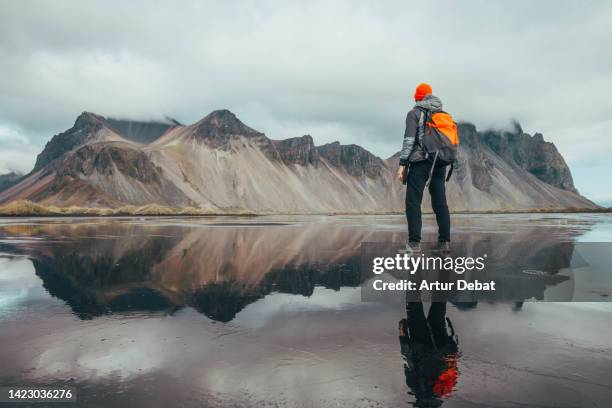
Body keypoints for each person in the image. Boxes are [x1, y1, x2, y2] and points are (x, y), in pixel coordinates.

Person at [397, 83, 451, 253]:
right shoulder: (444, 115)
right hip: (439, 162)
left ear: (418, 97)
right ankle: (444, 243)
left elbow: (409, 140)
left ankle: (414, 244)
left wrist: (402, 164)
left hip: (421, 162)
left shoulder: (414, 113)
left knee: (413, 201)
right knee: (440, 203)